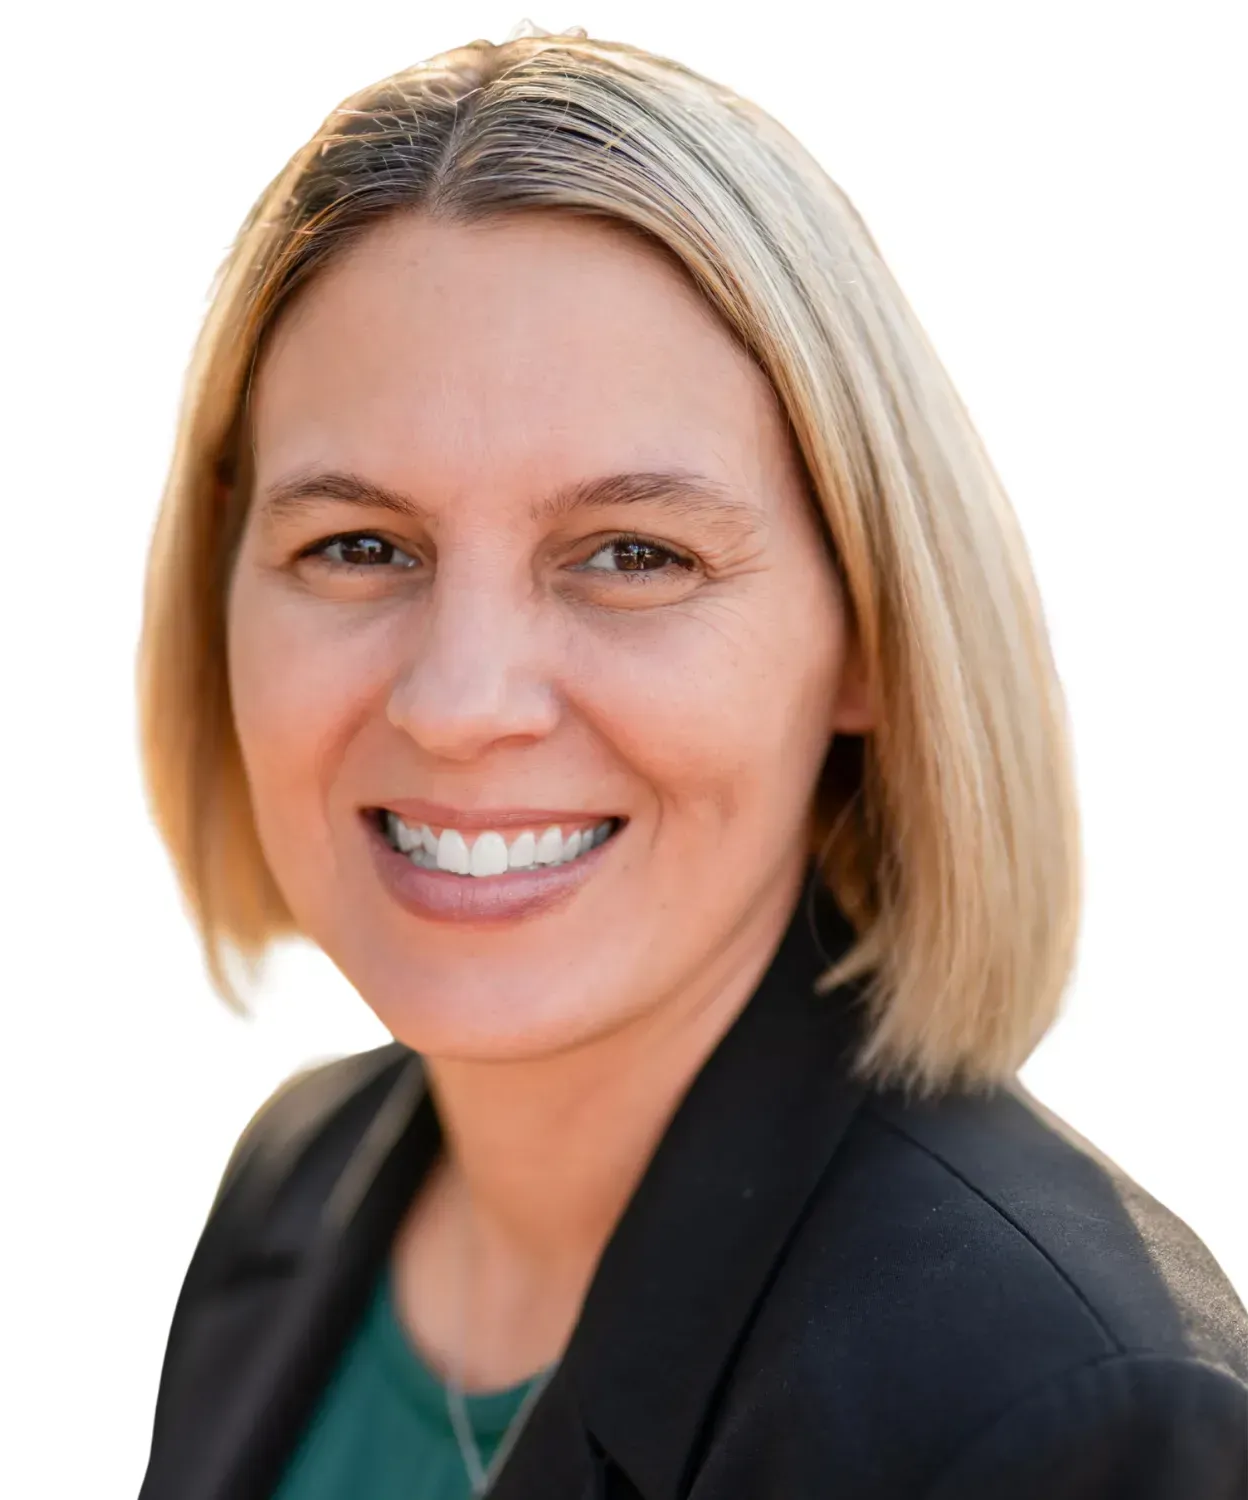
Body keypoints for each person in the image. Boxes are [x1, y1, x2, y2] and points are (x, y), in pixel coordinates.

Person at [133, 29, 1248, 1500]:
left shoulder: (1055, 1410)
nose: (463, 703)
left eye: (632, 555)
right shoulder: (300, 1184)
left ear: (869, 635)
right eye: (358, 546)